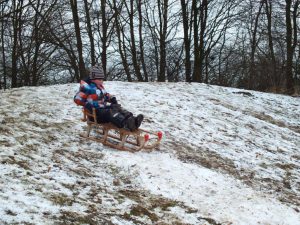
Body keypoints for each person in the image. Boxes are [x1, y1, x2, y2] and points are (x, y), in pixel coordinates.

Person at [74, 65, 144, 131]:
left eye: (102, 79)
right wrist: (87, 105)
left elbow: (104, 95)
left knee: (117, 107)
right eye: (99, 79)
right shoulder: (87, 88)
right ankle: (125, 124)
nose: (101, 81)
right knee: (110, 112)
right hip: (95, 114)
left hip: (103, 109)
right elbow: (77, 99)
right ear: (93, 79)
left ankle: (133, 120)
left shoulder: (100, 86)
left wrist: (110, 98)